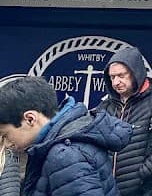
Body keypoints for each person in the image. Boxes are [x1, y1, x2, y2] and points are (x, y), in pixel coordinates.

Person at [0, 75, 131, 196]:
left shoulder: (64, 156)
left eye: (5, 135)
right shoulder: (69, 141)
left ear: (30, 119)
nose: (7, 144)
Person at [94, 46, 152, 196]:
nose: (116, 82)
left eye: (121, 76)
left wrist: (144, 170)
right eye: (112, 77)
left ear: (136, 73)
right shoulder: (105, 106)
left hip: (144, 191)